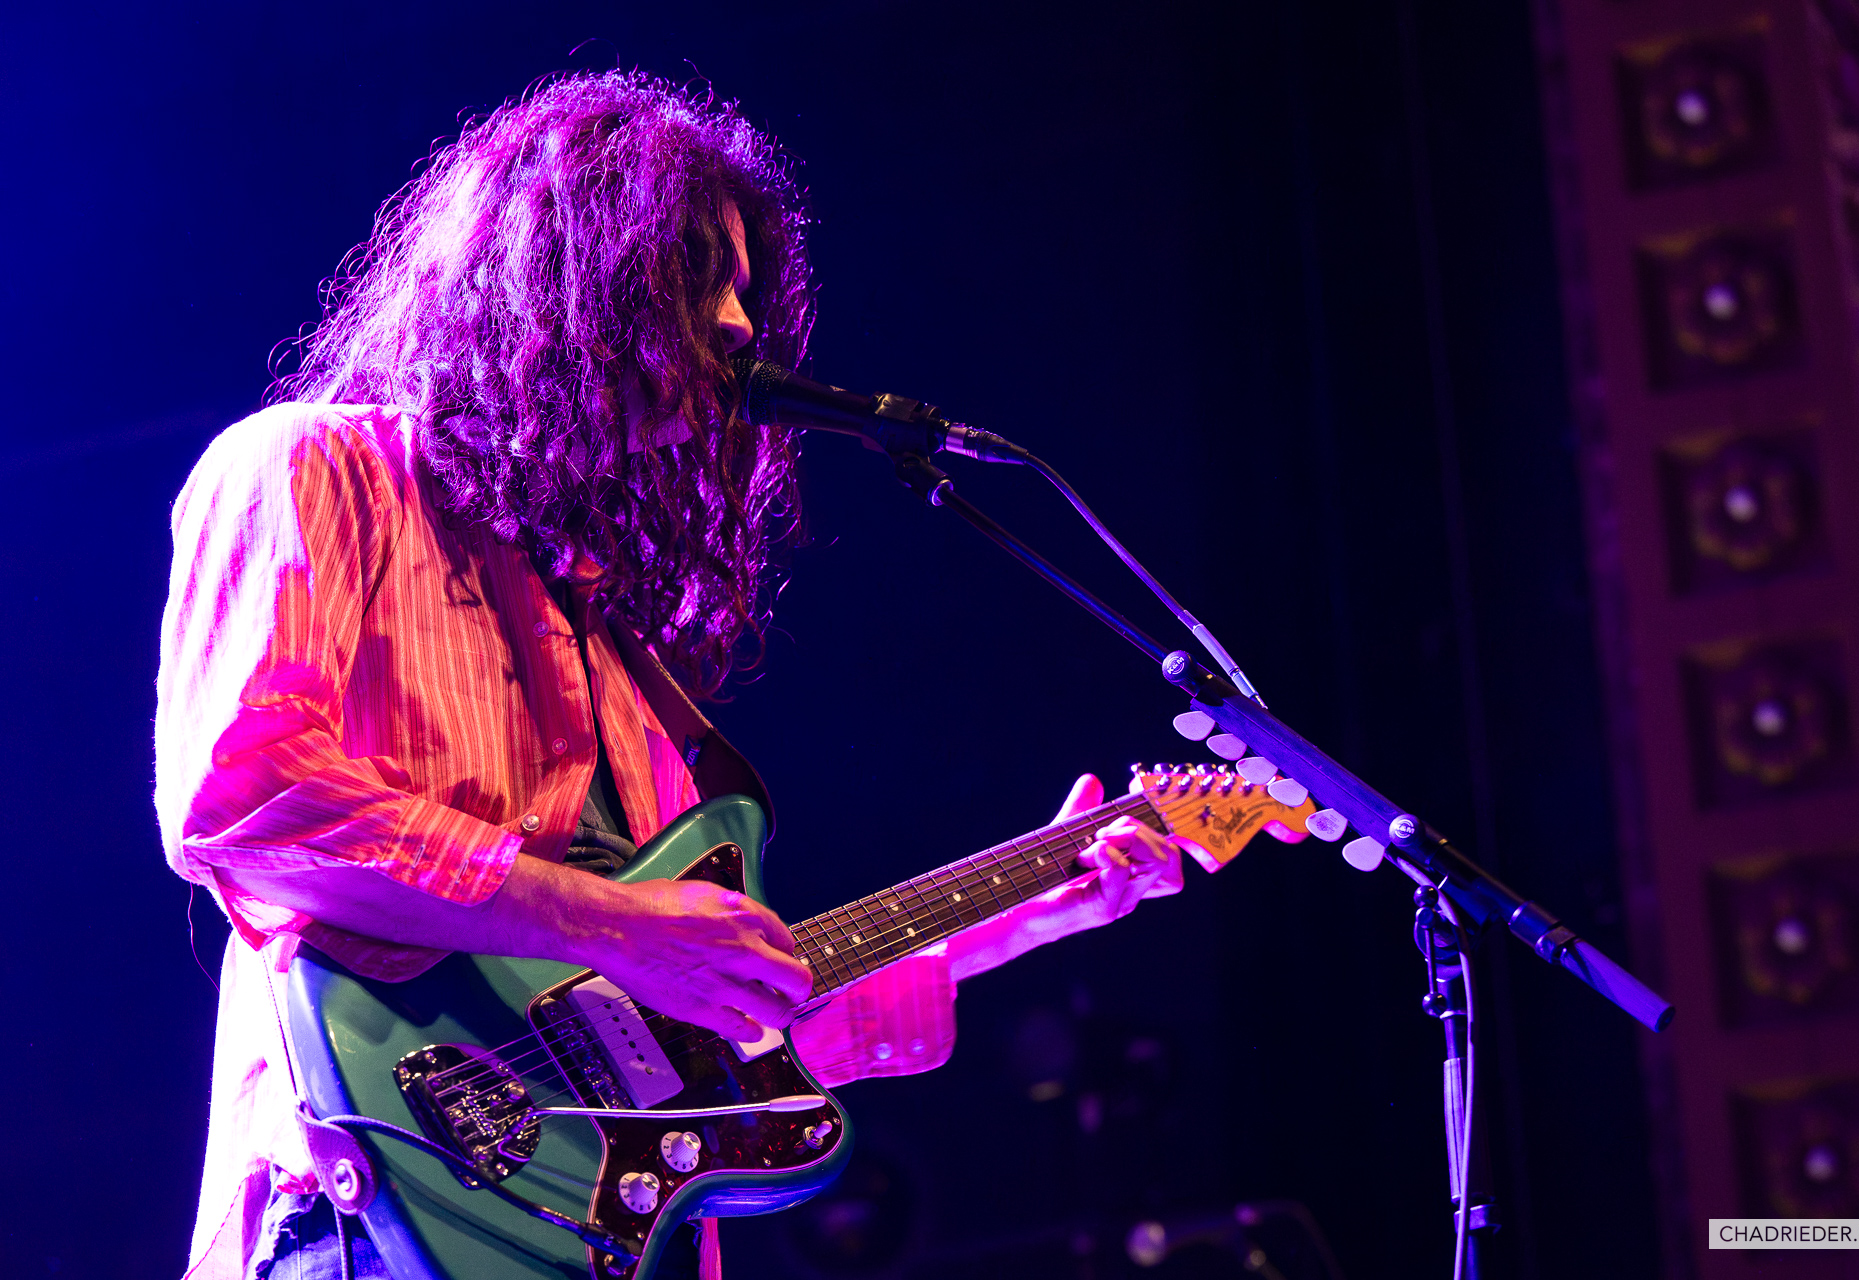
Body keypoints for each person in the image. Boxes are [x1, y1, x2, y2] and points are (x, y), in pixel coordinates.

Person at [156, 72, 1188, 1280]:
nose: (744, 327)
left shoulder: (607, 643)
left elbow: (711, 1035)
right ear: (566, 276)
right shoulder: (314, 468)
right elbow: (248, 799)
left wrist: (1036, 906)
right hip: (366, 1221)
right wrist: (615, 918)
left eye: (748, 290)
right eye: (702, 276)